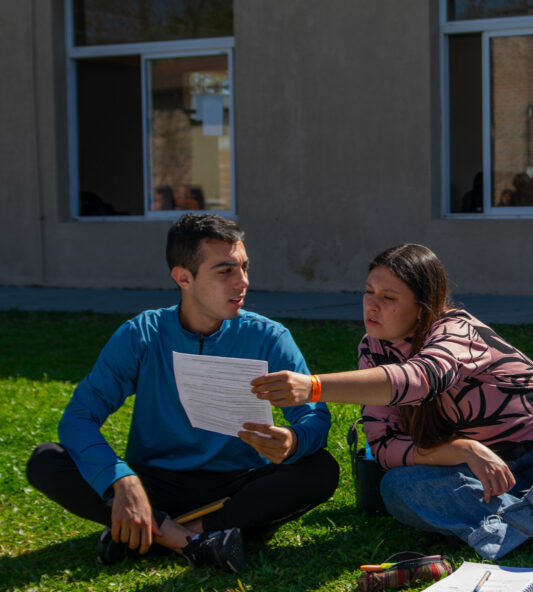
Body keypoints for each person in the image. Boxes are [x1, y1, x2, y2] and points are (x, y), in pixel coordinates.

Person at [251, 243, 533, 561]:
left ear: (423, 306)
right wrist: (459, 449)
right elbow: (385, 446)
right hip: (481, 476)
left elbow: (420, 378)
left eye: (389, 297)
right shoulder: (373, 349)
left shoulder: (457, 330)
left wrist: (316, 386)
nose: (372, 305)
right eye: (369, 291)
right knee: (398, 488)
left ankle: (520, 521)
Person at [26, 214, 337, 573]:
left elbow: (315, 416)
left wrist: (293, 440)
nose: (243, 282)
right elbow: (79, 417)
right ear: (183, 278)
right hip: (155, 481)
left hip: (237, 483)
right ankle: (191, 540)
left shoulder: (269, 337)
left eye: (245, 267)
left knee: (321, 468)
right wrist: (121, 480)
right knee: (46, 460)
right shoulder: (141, 334)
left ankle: (156, 533)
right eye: (226, 271)